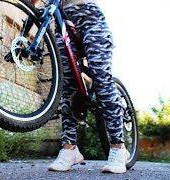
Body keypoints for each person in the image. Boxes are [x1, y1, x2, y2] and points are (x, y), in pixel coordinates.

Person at [30, 0, 130, 174]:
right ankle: (69, 149)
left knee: (101, 80)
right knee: (66, 86)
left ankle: (118, 147)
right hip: (62, 23)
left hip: (91, 19)